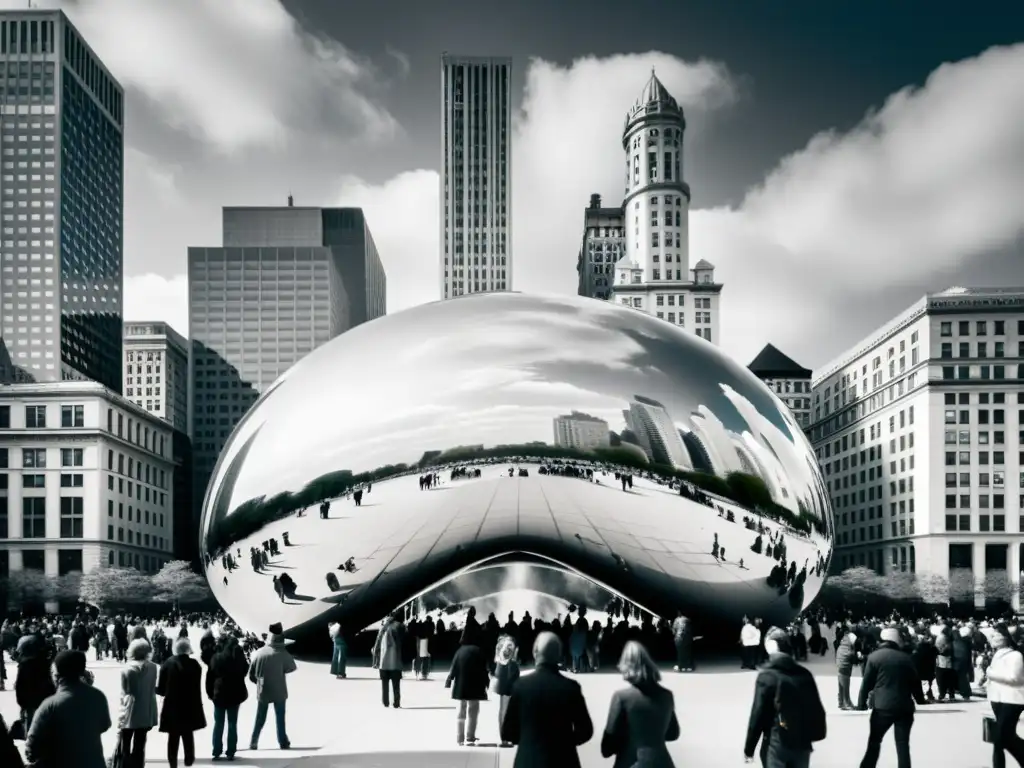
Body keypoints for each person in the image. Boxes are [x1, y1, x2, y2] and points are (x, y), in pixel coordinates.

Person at [500, 631, 593, 768]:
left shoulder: (521, 686)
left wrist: (527, 739)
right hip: (564, 760)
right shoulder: (571, 688)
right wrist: (566, 741)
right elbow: (586, 730)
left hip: (529, 760)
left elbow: (507, 731)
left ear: (535, 652)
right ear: (559, 655)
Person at [743, 627, 826, 768]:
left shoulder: (767, 676)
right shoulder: (805, 674)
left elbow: (758, 715)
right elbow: (816, 709)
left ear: (770, 647)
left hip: (777, 742)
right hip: (802, 743)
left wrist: (749, 749)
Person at [24, 649, 111, 768]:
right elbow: (105, 725)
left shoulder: (50, 705)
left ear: (57, 674)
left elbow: (31, 747)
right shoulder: (98, 696)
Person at [601, 640, 680, 768]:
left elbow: (607, 746)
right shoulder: (666, 695)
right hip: (662, 762)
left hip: (631, 761)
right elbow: (673, 734)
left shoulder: (622, 697)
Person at [856, 626, 925, 768]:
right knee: (902, 745)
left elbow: (867, 682)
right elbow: (915, 682)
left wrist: (861, 703)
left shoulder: (874, 657)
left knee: (874, 743)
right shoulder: (906, 658)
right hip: (904, 707)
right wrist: (920, 699)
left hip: (882, 707)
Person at [157, 636, 207, 768]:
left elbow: (161, 689)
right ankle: (189, 759)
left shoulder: (168, 663)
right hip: (190, 704)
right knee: (188, 733)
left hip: (172, 705)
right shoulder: (195, 665)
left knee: (173, 736)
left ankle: (173, 763)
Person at [248, 622, 296, 750]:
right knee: (280, 718)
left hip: (263, 689)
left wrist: (259, 682)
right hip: (279, 690)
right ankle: (283, 742)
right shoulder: (282, 653)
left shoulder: (259, 653)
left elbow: (251, 675)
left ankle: (254, 741)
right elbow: (292, 667)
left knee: (260, 718)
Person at [982, 623, 1024, 768]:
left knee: (1002, 738)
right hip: (998, 699)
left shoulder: (1015, 655)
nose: (992, 638)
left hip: (1012, 700)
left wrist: (990, 673)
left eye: (996, 635)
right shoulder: (997, 654)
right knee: (1000, 740)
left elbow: (1015, 678)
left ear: (1006, 638)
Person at [206, 633, 250, 761]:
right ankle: (231, 751)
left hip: (219, 693)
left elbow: (209, 677)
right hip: (235, 693)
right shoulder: (237, 656)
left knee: (218, 723)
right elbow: (245, 670)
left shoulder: (216, 657)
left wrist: (210, 693)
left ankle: (216, 750)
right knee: (232, 723)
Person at [445, 623, 490, 746]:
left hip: (461, 685)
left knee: (461, 710)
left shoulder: (459, 651)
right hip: (475, 686)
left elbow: (453, 668)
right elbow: (484, 670)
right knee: (473, 710)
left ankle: (460, 738)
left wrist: (450, 679)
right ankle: (470, 736)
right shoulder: (479, 651)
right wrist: (487, 683)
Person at [119, 638, 160, 768]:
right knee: (140, 743)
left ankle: (125, 765)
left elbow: (127, 691)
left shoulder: (127, 669)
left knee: (125, 743)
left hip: (130, 710)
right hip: (147, 709)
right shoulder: (153, 667)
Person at [492, 634, 521, 748]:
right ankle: (505, 738)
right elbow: (509, 659)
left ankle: (507, 736)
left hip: (503, 676)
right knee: (506, 710)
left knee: (505, 710)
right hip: (508, 678)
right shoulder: (509, 647)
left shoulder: (499, 647)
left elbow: (498, 660)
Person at [372, 611, 405, 708]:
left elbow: (377, 645)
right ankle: (396, 702)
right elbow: (403, 643)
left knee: (384, 684)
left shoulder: (383, 628)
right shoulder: (400, 627)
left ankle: (385, 702)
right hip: (395, 661)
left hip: (383, 662)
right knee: (396, 684)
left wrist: (376, 658)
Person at [835, 629, 858, 710]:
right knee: (845, 687)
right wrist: (857, 656)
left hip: (840, 667)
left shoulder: (842, 646)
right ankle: (847, 704)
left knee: (841, 686)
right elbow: (852, 657)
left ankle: (841, 702)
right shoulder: (848, 649)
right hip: (844, 668)